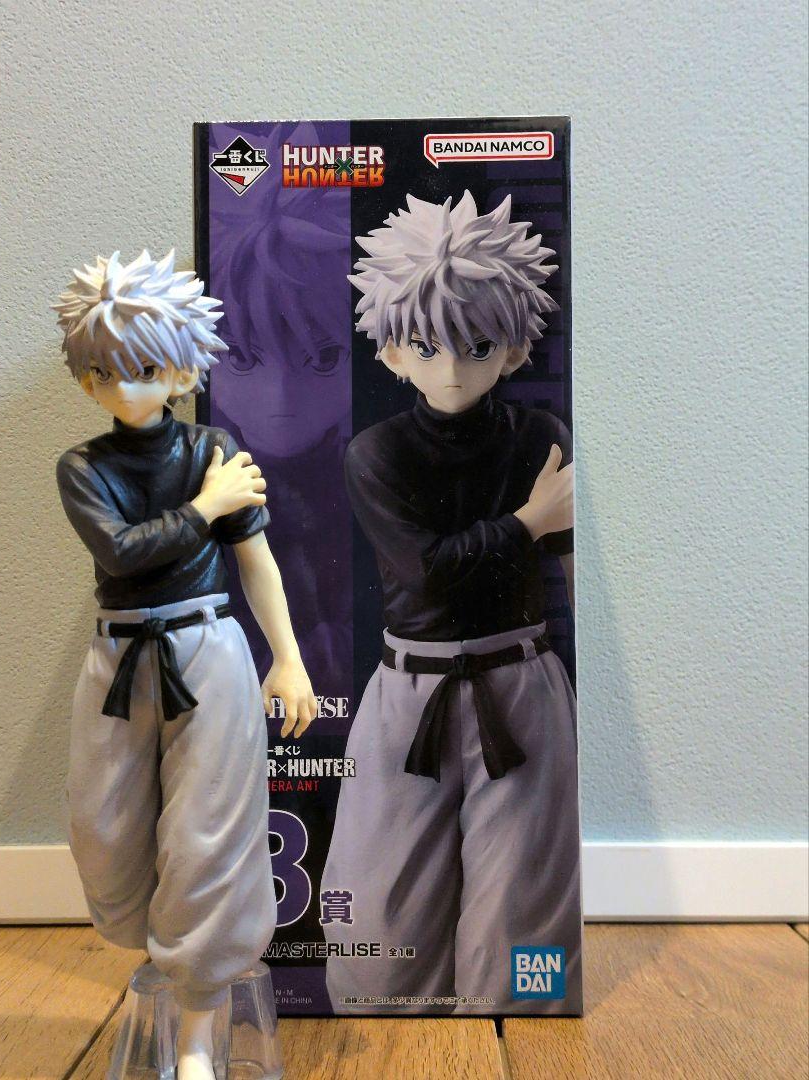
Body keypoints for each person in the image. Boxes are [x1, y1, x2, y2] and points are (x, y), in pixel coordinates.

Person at [53, 249, 317, 1080]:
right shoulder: (84, 467)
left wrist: (289, 660)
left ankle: (200, 1035)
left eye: (140, 369)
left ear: (179, 369)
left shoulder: (211, 447)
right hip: (117, 658)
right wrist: (206, 506)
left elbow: (256, 561)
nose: (120, 387)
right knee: (103, 829)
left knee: (209, 835)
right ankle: (165, 967)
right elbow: (122, 552)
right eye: (102, 371)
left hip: (205, 651)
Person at [320, 192, 582, 1016]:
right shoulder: (376, 452)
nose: (453, 369)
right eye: (427, 346)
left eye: (478, 344)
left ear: (515, 346)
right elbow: (428, 574)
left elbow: (571, 565)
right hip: (411, 693)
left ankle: (518, 1039)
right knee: (377, 933)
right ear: (391, 351)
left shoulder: (541, 435)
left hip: (522, 684)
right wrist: (527, 523)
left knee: (525, 921)